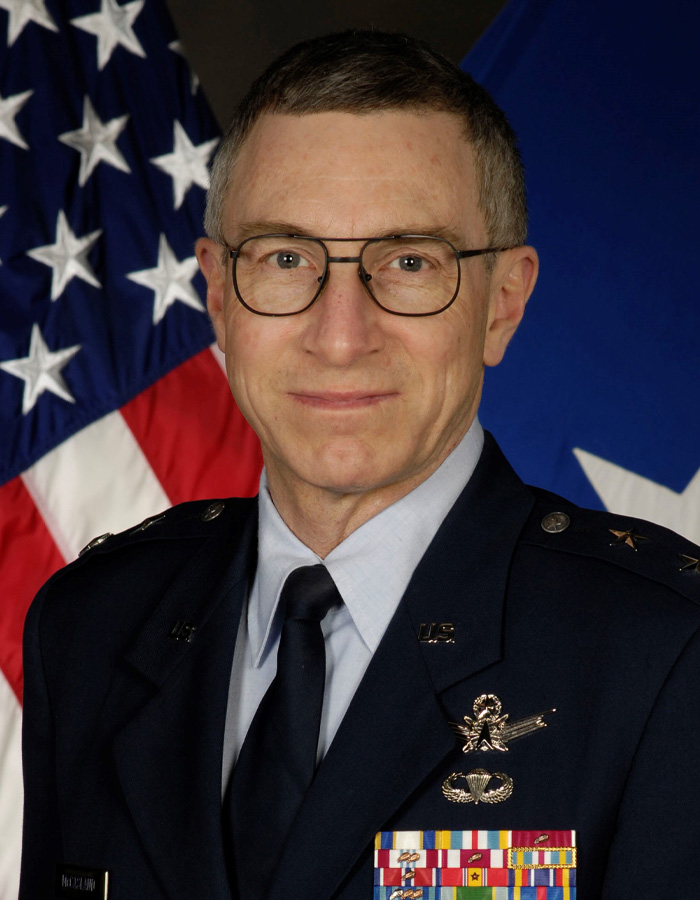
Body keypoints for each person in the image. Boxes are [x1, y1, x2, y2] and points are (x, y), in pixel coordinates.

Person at [20, 30, 700, 900]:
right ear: (219, 298)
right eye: (287, 259)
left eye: (410, 262)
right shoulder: (91, 627)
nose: (341, 336)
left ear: (503, 303)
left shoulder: (663, 655)